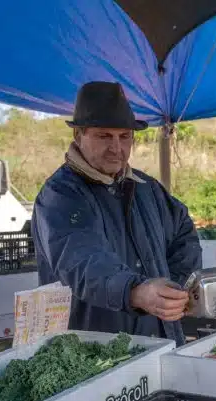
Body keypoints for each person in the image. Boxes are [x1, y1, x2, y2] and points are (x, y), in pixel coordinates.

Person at [31, 81, 201, 345]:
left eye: (124, 137)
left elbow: (183, 233)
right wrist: (135, 291)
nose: (116, 148)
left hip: (161, 340)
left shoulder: (148, 188)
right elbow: (82, 262)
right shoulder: (61, 196)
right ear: (79, 135)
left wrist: (177, 287)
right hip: (95, 350)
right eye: (104, 136)